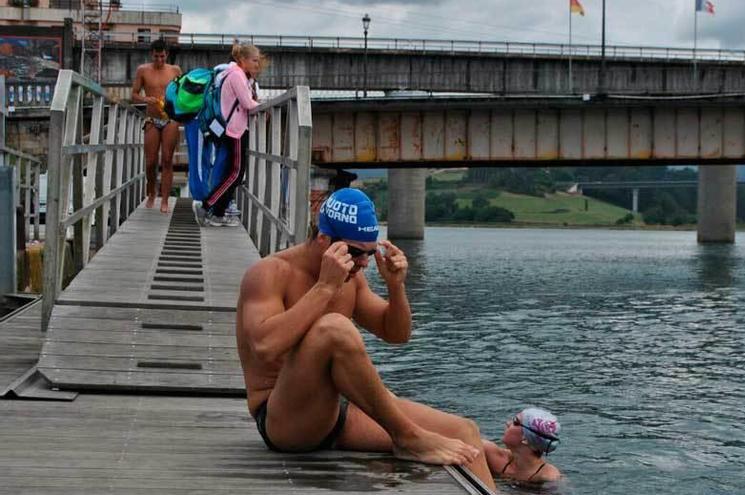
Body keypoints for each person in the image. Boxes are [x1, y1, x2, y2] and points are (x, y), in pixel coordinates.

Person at [236, 188, 496, 491]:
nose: (363, 263)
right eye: (355, 252)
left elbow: (396, 333)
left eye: (370, 253)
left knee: (464, 432)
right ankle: (407, 437)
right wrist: (324, 288)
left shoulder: (351, 279)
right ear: (323, 240)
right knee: (334, 328)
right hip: (284, 420)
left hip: (338, 412)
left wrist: (396, 288)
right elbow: (265, 347)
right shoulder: (270, 273)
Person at [195, 44, 261, 227]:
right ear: (243, 60)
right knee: (235, 173)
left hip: (233, 128)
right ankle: (207, 206)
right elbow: (247, 103)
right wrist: (266, 106)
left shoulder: (235, 74)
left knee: (233, 173)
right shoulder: (237, 75)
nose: (257, 64)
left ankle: (217, 213)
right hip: (236, 130)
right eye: (254, 60)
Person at [131, 39, 181, 214]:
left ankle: (165, 199)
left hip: (170, 119)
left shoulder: (175, 70)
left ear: (166, 55)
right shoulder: (143, 70)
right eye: (156, 56)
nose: (159, 60)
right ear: (151, 54)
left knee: (167, 159)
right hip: (152, 119)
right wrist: (146, 99)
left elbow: (182, 94)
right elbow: (134, 94)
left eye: (162, 56)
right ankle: (151, 192)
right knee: (151, 162)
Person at [482, 407, 562, 483]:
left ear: (526, 439)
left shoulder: (548, 477)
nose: (508, 423)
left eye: (515, 422)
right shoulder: (494, 455)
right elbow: (470, 429)